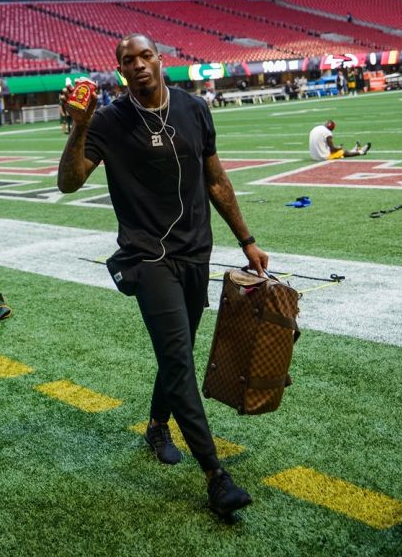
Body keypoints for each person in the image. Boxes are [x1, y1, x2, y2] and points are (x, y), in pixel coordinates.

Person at [57, 33, 266, 519]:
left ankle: (156, 424)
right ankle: (215, 475)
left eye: (145, 56)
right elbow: (68, 182)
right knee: (178, 357)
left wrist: (247, 240)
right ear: (120, 71)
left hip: (196, 252)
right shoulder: (108, 120)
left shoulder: (194, 109)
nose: (138, 65)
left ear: (160, 59)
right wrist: (79, 127)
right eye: (128, 61)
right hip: (145, 256)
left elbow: (216, 178)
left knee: (178, 354)